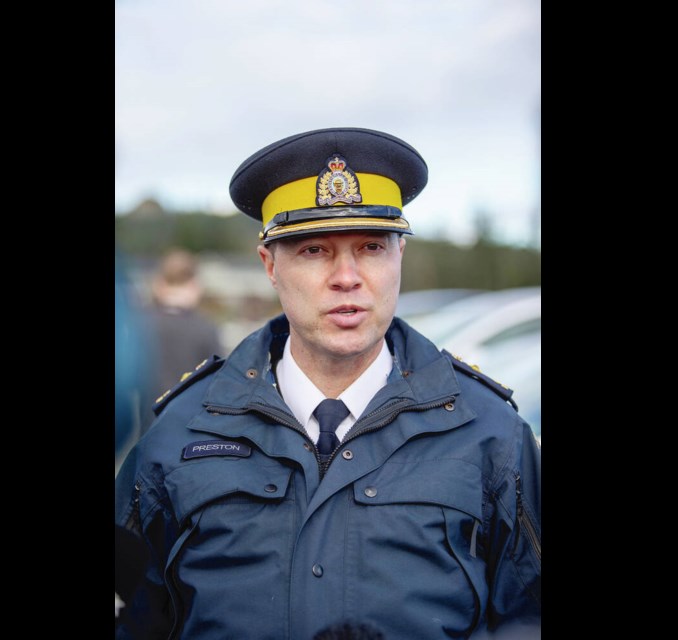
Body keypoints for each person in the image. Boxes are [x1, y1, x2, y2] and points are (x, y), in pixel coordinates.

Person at [114, 127, 541, 639]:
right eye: (314, 250)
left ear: (399, 255)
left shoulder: (492, 434)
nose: (347, 276)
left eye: (371, 247)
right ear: (270, 265)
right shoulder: (179, 435)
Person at [140, 248, 223, 434]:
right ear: (194, 284)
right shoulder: (205, 328)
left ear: (159, 283)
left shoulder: (139, 326)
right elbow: (218, 384)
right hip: (188, 429)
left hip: (146, 426)